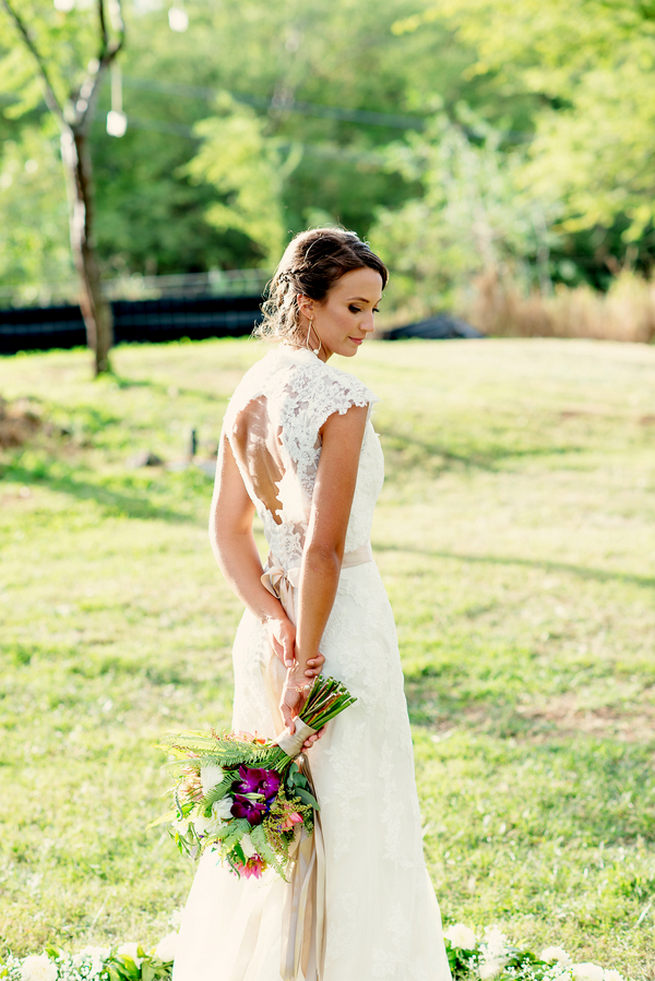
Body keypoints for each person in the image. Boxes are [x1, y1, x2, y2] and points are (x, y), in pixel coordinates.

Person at [172, 228, 452, 981]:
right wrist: (305, 656)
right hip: (338, 624)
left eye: (375, 308)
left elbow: (226, 532)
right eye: (354, 307)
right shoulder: (342, 396)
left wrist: (273, 622)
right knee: (354, 816)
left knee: (282, 822)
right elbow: (323, 550)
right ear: (307, 301)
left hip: (268, 625)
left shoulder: (248, 388)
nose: (367, 323)